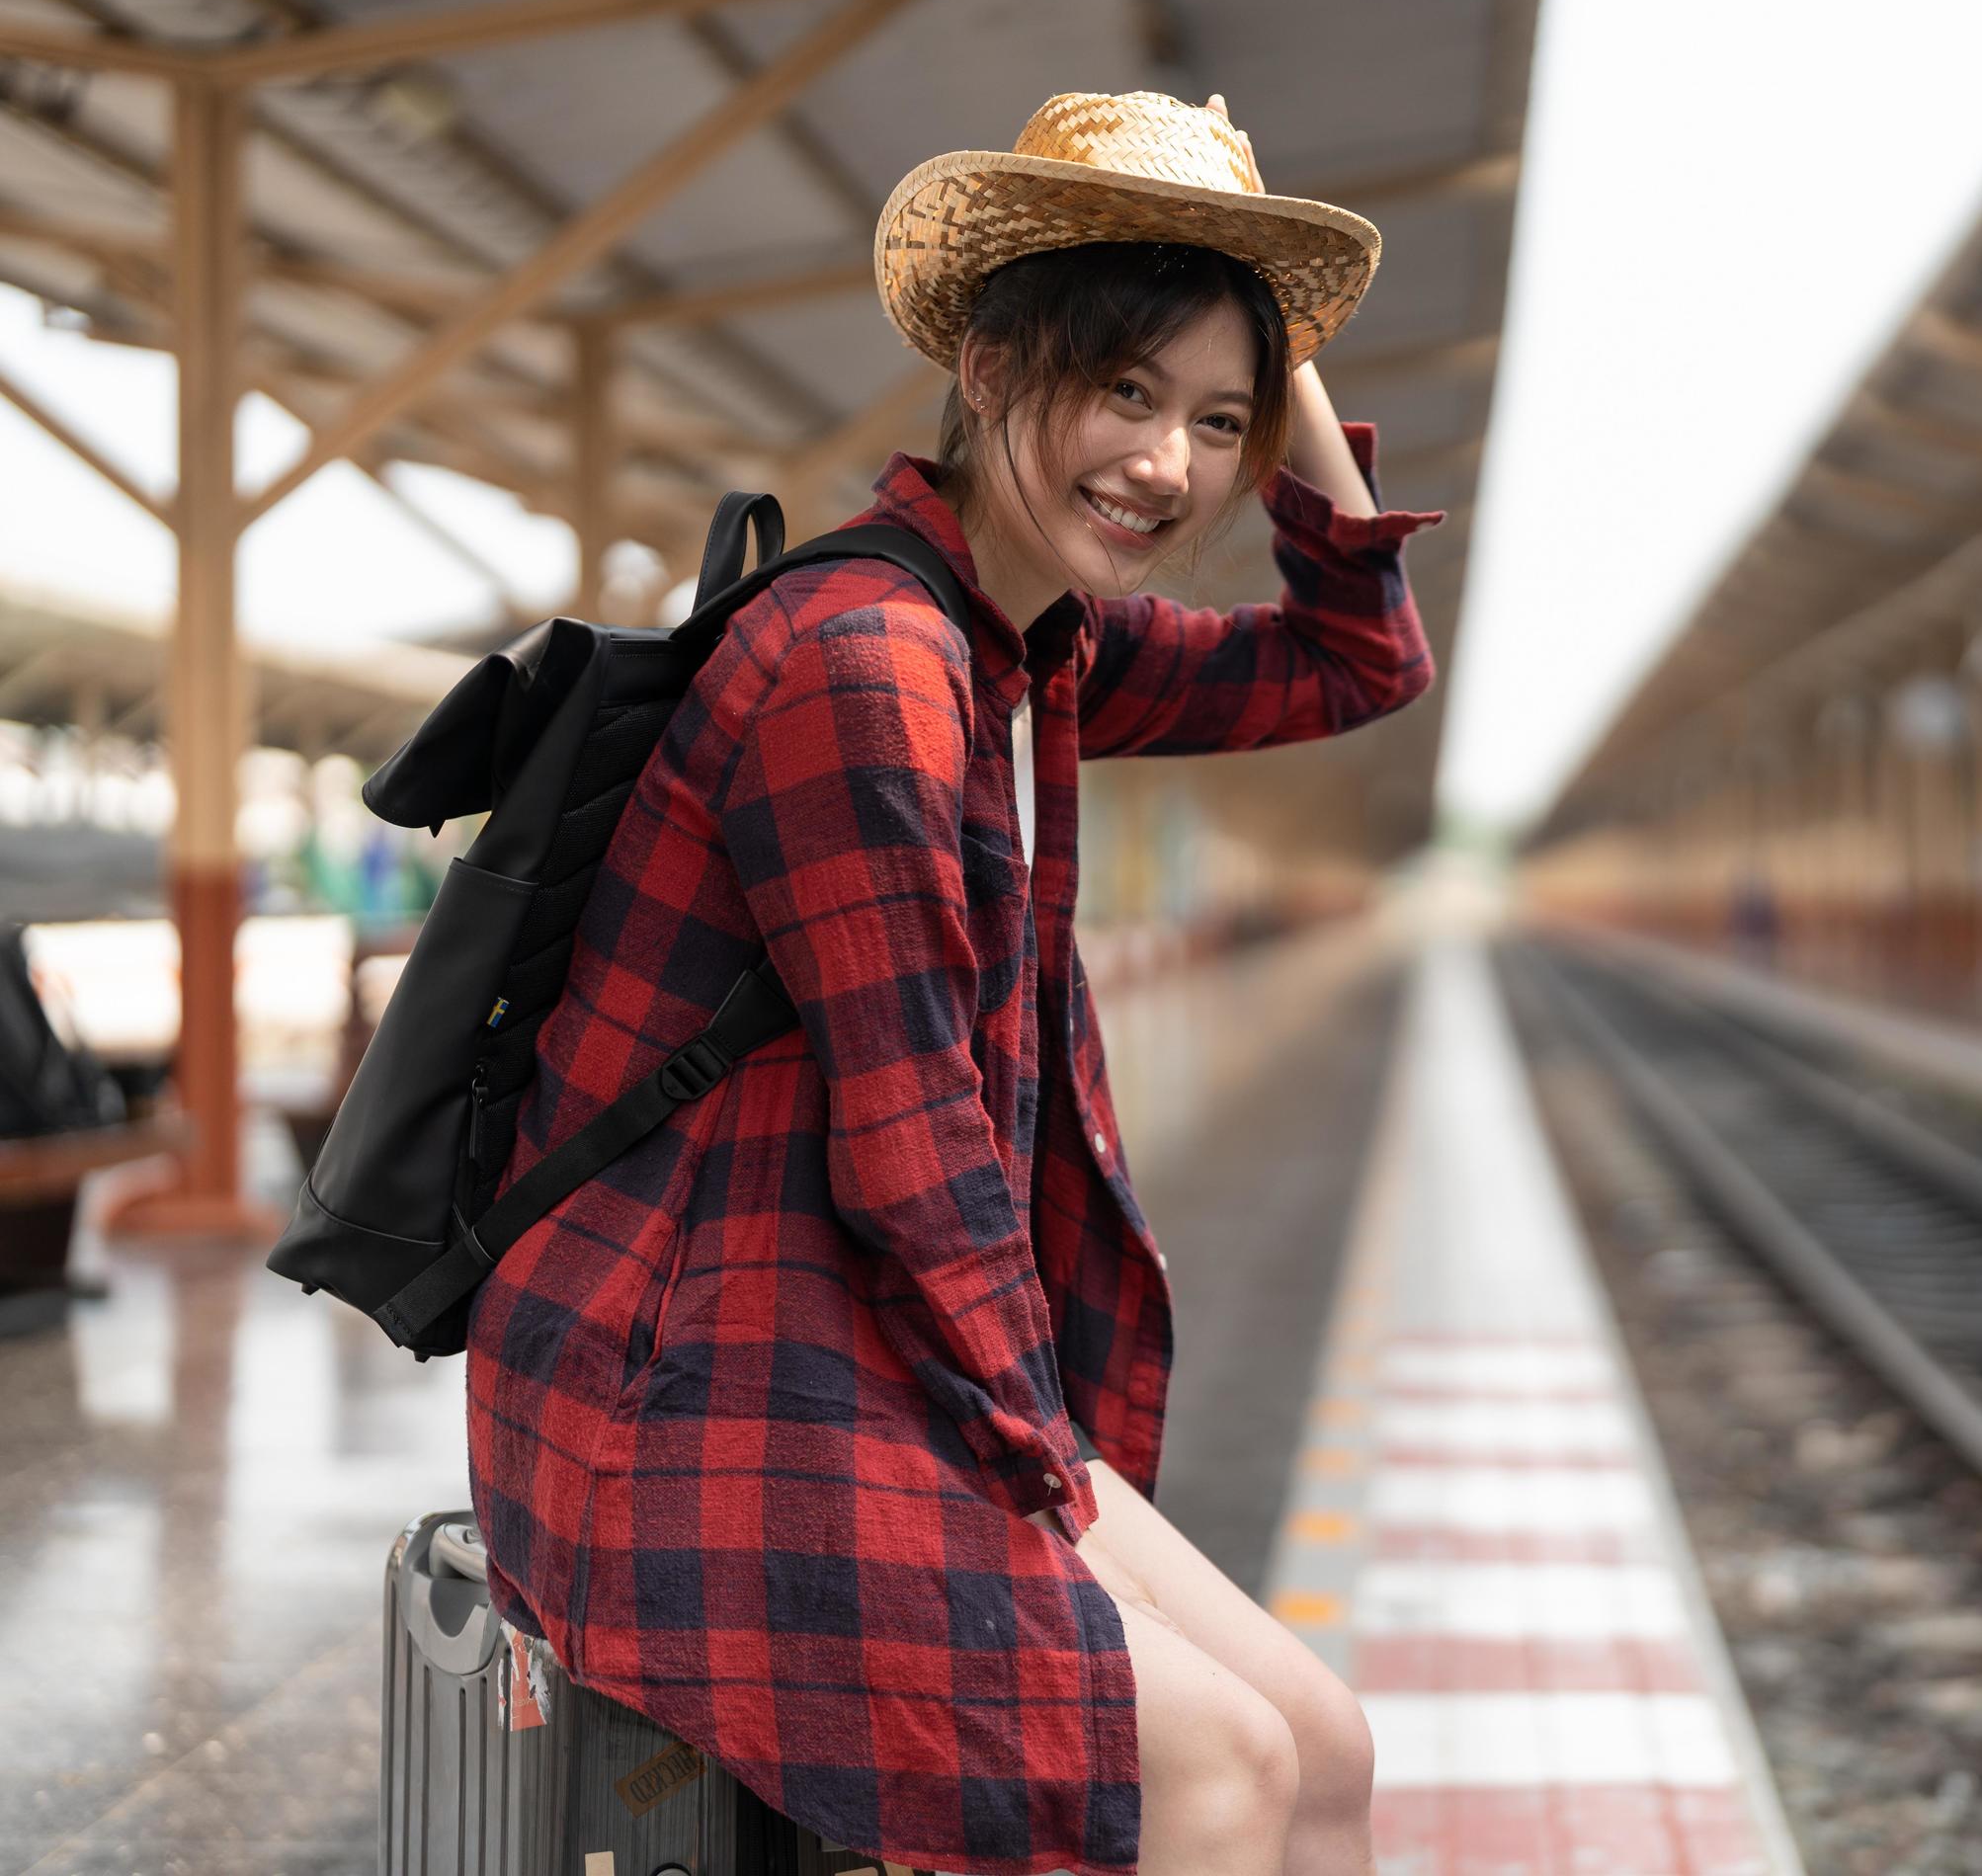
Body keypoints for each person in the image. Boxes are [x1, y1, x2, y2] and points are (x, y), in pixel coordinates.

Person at [461, 90, 1443, 1876]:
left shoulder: (1036, 645)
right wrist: (1040, 1471)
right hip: (677, 1395)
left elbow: (1354, 664)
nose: (1169, 464)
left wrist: (1293, 369)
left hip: (845, 1344)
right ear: (990, 363)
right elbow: (917, 1131)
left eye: (1214, 424)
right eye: (1126, 393)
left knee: (1326, 1745)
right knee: (1215, 1771)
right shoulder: (868, 665)